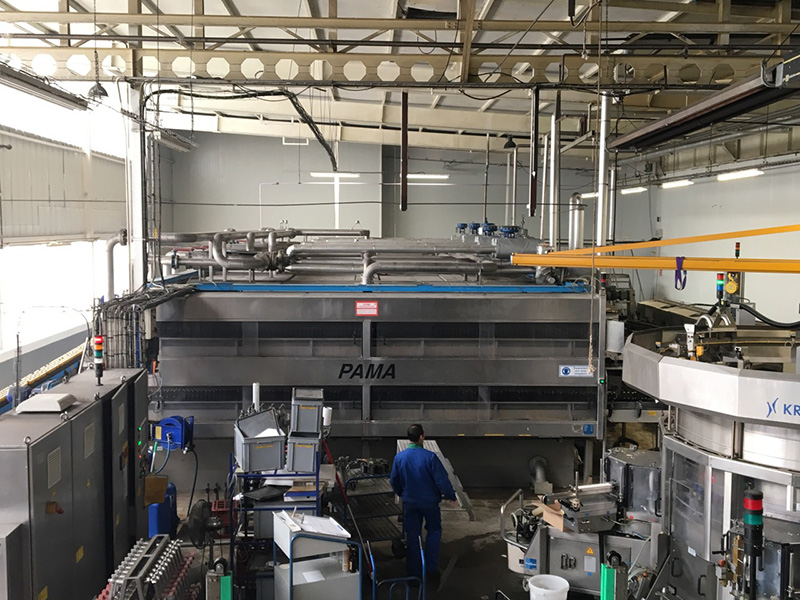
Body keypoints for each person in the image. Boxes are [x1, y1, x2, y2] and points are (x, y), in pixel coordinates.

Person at [389, 424, 457, 580]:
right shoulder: (430, 457)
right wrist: (451, 496)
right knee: (434, 531)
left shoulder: (400, 458)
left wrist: (402, 493)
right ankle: (431, 569)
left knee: (413, 536)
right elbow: (442, 481)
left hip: (410, 503)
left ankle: (413, 574)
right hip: (429, 503)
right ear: (422, 437)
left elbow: (393, 480)